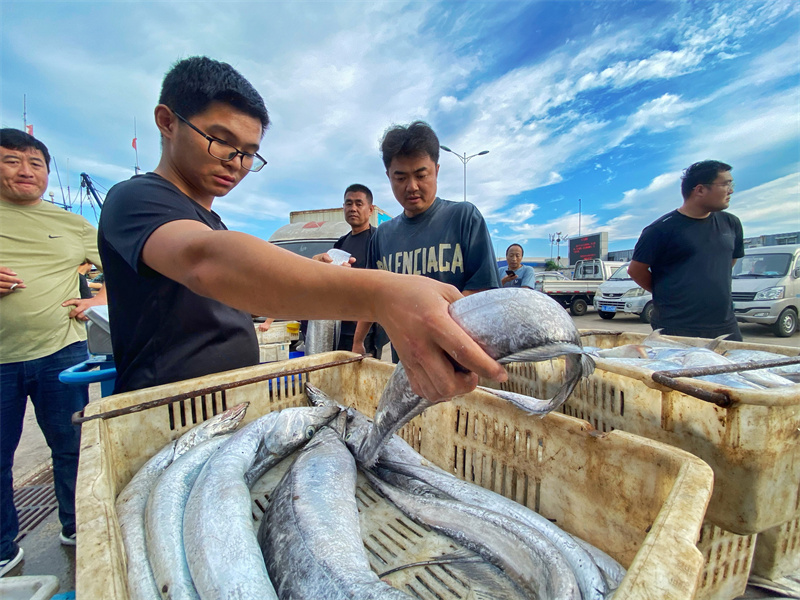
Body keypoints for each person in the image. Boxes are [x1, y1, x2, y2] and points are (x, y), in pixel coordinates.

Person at [98, 57, 506, 402]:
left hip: (226, 407)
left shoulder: (208, 219)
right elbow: (207, 261)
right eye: (221, 141)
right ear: (167, 122)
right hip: (167, 412)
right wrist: (383, 296)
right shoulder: (135, 200)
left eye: (249, 154)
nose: (236, 163)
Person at [0, 128, 107, 576]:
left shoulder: (71, 224)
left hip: (61, 352)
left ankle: (76, 526)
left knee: (72, 447)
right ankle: (4, 548)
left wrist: (97, 300)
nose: (26, 171)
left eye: (35, 163)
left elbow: (126, 264)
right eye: (11, 161)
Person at [353, 121, 500, 360]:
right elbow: (373, 295)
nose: (412, 187)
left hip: (461, 361)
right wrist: (358, 342)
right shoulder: (382, 235)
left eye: (421, 175)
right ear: (388, 176)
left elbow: (484, 291)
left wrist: (429, 321)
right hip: (407, 363)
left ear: (437, 171)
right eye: (400, 178)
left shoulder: (463, 217)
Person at [628, 160, 744, 341]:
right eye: (725, 184)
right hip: (677, 327)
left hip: (725, 326)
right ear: (699, 190)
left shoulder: (731, 223)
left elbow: (729, 262)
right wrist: (667, 294)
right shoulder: (660, 229)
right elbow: (636, 270)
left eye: (731, 184)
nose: (731, 190)